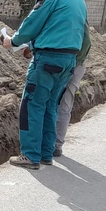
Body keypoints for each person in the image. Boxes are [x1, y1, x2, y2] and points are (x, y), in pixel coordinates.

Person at [2, 0, 87, 170]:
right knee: (50, 106)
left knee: (32, 105)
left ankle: (31, 155)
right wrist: (32, 46)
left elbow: (33, 23)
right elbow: (61, 29)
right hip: (69, 61)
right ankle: (46, 154)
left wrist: (12, 41)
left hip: (47, 59)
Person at [21, 21, 92, 159]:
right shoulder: (76, 15)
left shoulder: (62, 14)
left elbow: (46, 37)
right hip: (73, 63)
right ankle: (51, 148)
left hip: (69, 64)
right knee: (57, 104)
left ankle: (42, 150)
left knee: (44, 104)